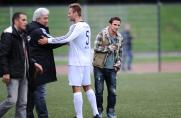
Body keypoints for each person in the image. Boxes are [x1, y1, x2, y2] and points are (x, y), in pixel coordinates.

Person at [38, 3, 100, 118]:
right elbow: (72, 40)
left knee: (76, 88)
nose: (68, 15)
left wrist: (48, 40)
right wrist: (66, 41)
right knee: (87, 86)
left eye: (69, 13)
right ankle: (96, 113)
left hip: (76, 62)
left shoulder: (77, 26)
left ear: (76, 13)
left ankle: (79, 116)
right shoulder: (85, 25)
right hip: (86, 61)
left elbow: (67, 38)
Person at [0, 12, 43, 118]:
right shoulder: (8, 34)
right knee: (12, 100)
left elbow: (25, 54)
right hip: (13, 73)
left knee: (23, 103)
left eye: (26, 20)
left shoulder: (23, 34)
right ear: (16, 21)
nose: (26, 22)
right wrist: (5, 72)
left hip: (24, 74)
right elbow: (2, 55)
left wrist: (34, 63)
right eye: (23, 20)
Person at [26, 8, 64, 118]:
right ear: (38, 19)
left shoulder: (28, 28)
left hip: (30, 64)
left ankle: (28, 115)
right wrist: (68, 40)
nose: (47, 20)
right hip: (38, 66)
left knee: (31, 93)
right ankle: (43, 116)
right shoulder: (39, 30)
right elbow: (52, 42)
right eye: (45, 18)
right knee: (39, 93)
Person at [92, 17, 123, 118]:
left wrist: (118, 63)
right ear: (110, 24)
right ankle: (99, 112)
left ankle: (111, 112)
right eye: (115, 24)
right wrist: (108, 48)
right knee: (99, 92)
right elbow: (95, 47)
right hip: (99, 68)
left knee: (113, 92)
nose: (117, 27)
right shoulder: (102, 34)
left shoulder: (120, 37)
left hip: (112, 69)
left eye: (118, 25)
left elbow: (120, 53)